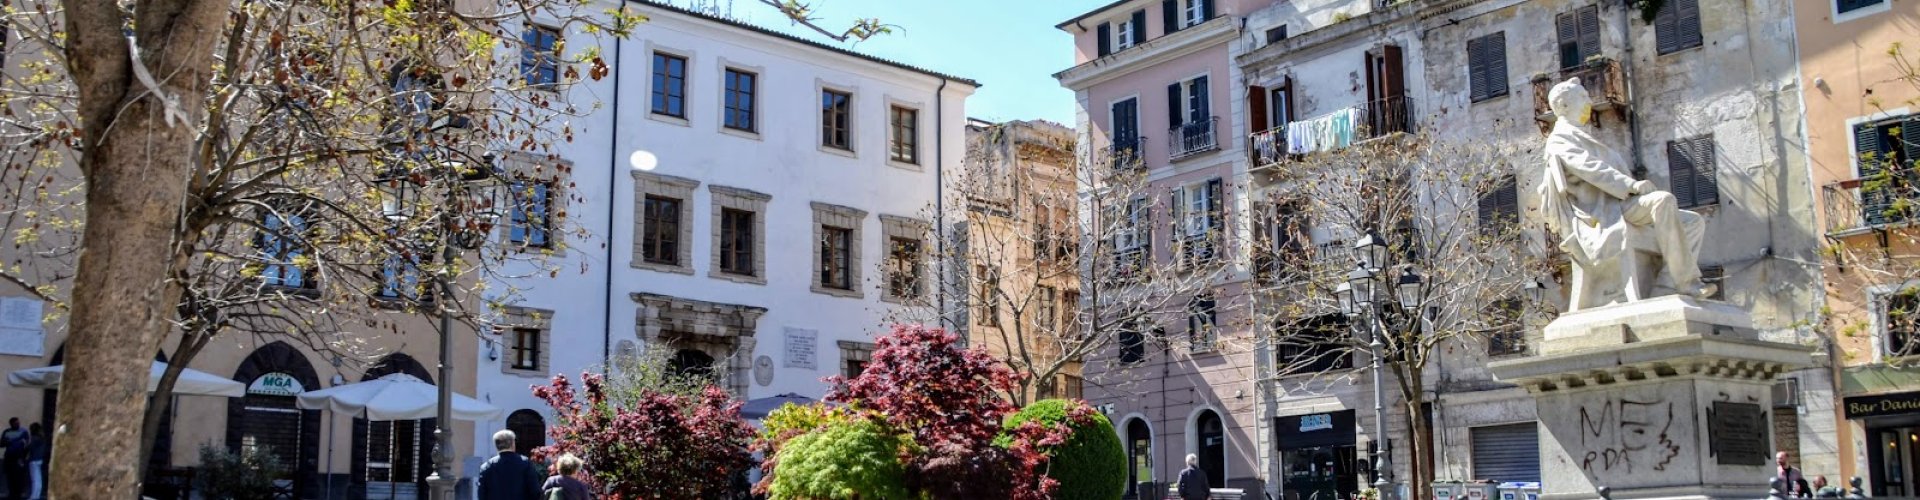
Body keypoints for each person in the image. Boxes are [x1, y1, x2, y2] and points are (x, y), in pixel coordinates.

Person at [1538, 77, 1708, 311]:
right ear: (1564, 105)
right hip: (1600, 213)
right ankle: (1687, 283)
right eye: (1583, 97)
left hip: (1619, 206)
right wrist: (1631, 185)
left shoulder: (1582, 135)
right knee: (1663, 201)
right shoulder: (1560, 139)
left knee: (1693, 222)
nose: (1589, 102)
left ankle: (1666, 287)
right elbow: (1589, 168)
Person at [477, 430, 543, 500]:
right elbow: (535, 491)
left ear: (496, 445)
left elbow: (481, 495)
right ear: (513, 444)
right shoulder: (525, 463)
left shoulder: (486, 467)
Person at [2, 419, 27, 500]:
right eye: (15, 423)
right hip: (9, 457)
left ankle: (18, 494)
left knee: (18, 477)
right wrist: (7, 442)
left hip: (19, 457)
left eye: (18, 423)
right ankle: (11, 494)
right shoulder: (7, 432)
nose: (17, 424)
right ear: (11, 424)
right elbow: (2, 443)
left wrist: (23, 457)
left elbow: (26, 445)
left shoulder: (23, 432)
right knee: (10, 476)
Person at [23, 424, 44, 500]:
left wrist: (25, 445)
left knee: (35, 480)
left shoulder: (34, 438)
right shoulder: (41, 438)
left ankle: (34, 497)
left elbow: (28, 448)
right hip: (38, 460)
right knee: (38, 480)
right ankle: (35, 496)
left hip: (34, 460)